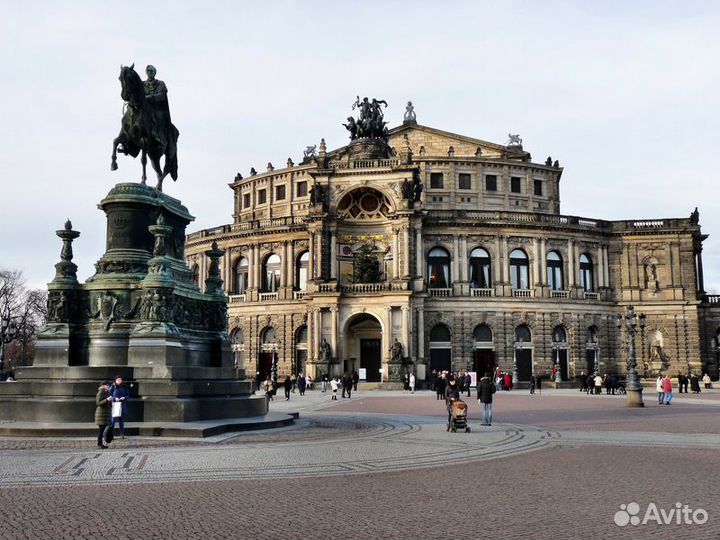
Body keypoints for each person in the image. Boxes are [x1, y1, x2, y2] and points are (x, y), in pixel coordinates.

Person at [95, 381, 112, 449]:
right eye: (107, 385)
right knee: (101, 430)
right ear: (104, 386)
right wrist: (107, 400)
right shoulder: (101, 392)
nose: (108, 386)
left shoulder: (106, 392)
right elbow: (98, 403)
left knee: (102, 429)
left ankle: (101, 443)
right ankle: (99, 444)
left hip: (105, 414)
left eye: (108, 385)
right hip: (101, 414)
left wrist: (109, 401)